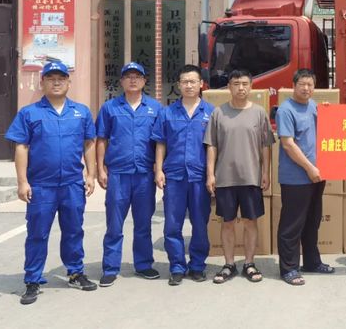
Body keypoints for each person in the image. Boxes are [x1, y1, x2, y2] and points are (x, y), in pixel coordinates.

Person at [5, 62, 98, 305]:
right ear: (42, 83)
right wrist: (22, 182)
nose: (56, 82)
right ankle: (33, 279)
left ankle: (75, 272)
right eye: (50, 78)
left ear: (68, 82)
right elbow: (21, 147)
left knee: (74, 230)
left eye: (61, 78)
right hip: (41, 186)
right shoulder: (29, 113)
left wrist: (91, 175)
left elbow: (89, 143)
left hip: (72, 184)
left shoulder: (81, 112)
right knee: (38, 233)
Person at [95, 62, 161, 287]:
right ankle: (110, 268)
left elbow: (161, 142)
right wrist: (100, 168)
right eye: (128, 76)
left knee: (143, 223)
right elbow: (101, 139)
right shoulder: (110, 108)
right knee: (114, 224)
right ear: (121, 81)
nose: (133, 80)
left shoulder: (155, 108)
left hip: (144, 174)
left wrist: (159, 168)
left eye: (137, 76)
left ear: (144, 81)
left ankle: (143, 264)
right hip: (118, 174)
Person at [204, 70, 274, 284]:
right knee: (227, 222)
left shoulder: (259, 113)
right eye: (236, 84)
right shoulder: (218, 113)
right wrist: (210, 174)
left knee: (250, 222)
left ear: (251, 86)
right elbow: (212, 145)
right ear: (229, 87)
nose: (241, 88)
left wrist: (266, 172)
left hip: (251, 177)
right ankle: (229, 264)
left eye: (245, 83)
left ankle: (249, 263)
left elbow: (265, 146)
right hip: (225, 178)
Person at [152, 64, 215, 286]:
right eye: (185, 81)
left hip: (199, 176)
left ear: (201, 84)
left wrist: (211, 175)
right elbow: (161, 142)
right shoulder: (167, 112)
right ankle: (177, 267)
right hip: (174, 176)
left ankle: (197, 266)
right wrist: (159, 170)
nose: (189, 85)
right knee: (172, 224)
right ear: (179, 85)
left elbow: (213, 147)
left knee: (200, 223)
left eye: (193, 81)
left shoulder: (211, 112)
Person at [275, 68, 334, 286]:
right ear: (294, 85)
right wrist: (309, 168)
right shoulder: (286, 110)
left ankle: (312, 262)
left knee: (312, 221)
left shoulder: (314, 106)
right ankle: (289, 268)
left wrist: (328, 113)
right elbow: (288, 144)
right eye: (302, 84)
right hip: (296, 178)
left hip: (317, 175)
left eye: (310, 85)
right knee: (292, 224)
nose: (306, 88)